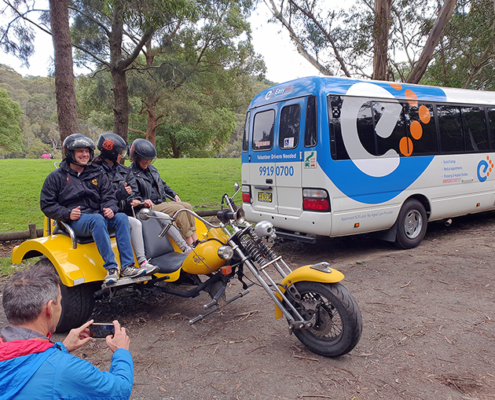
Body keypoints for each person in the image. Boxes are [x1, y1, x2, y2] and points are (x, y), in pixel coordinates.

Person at [0, 265, 134, 400]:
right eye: (59, 302)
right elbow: (119, 391)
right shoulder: (65, 369)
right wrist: (121, 352)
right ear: (49, 309)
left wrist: (61, 348)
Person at [40, 133, 147, 284]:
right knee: (97, 220)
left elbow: (108, 195)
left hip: (97, 216)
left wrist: (110, 207)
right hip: (75, 220)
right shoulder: (56, 177)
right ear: (70, 153)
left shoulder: (97, 173)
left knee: (121, 218)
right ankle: (111, 268)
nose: (84, 155)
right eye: (80, 151)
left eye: (87, 151)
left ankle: (127, 266)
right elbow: (46, 204)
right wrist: (67, 213)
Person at [93, 133, 192, 269]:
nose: (122, 155)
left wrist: (135, 200)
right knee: (137, 222)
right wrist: (131, 200)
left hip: (127, 208)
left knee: (167, 216)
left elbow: (133, 193)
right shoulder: (94, 172)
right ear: (111, 152)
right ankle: (142, 261)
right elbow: (100, 196)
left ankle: (186, 248)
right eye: (120, 152)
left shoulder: (124, 171)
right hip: (122, 211)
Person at [129, 139, 199, 246]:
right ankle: (190, 243)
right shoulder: (130, 173)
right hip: (147, 208)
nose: (147, 162)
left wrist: (174, 194)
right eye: (144, 159)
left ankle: (196, 240)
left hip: (160, 203)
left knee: (187, 206)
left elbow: (163, 185)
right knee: (179, 210)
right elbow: (132, 196)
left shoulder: (152, 169)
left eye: (149, 159)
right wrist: (143, 201)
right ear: (136, 157)